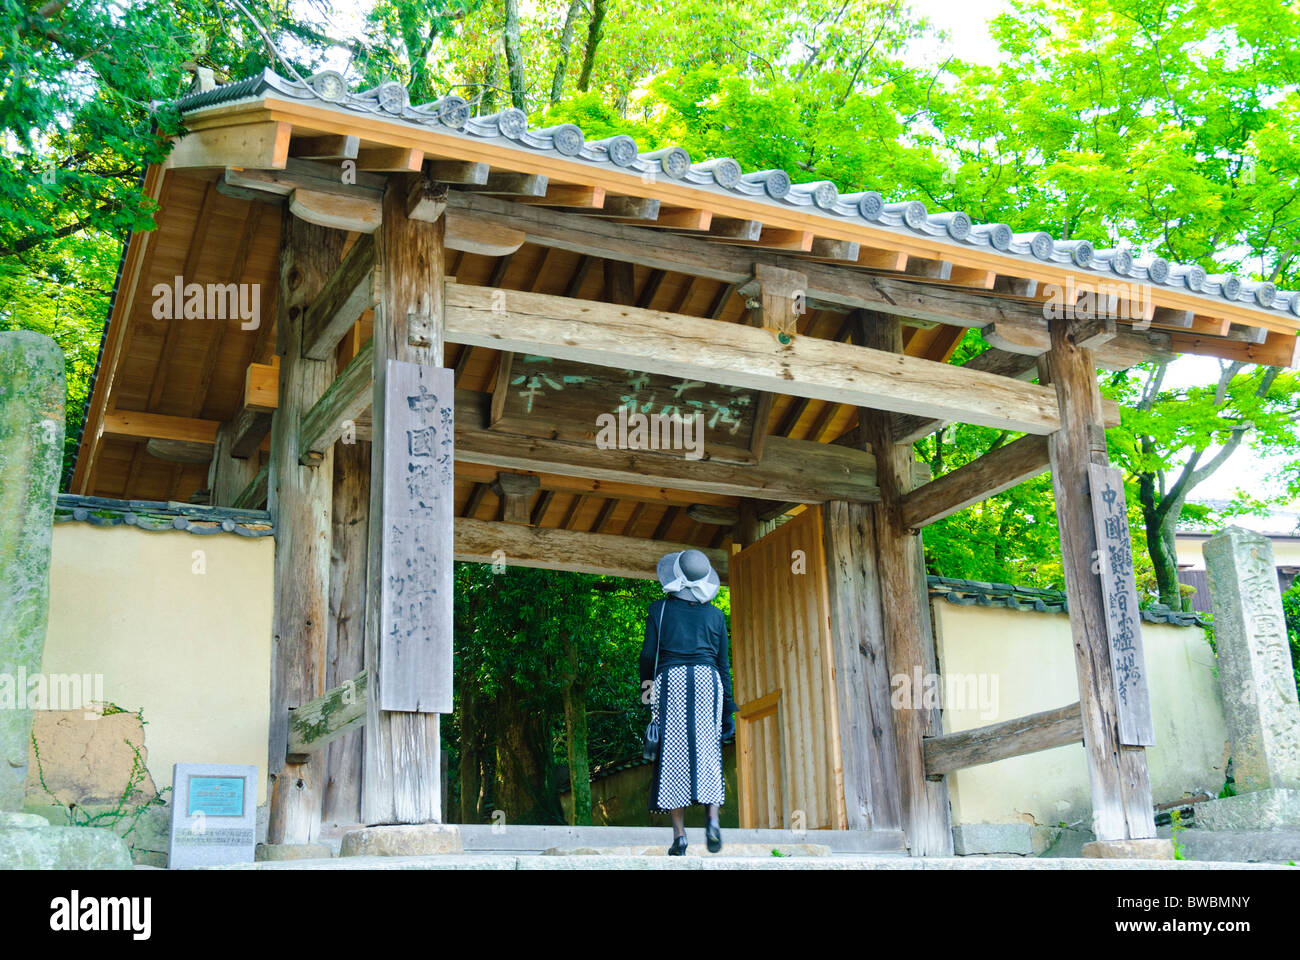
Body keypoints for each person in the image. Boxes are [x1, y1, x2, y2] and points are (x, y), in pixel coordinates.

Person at [640, 549, 738, 855]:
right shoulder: (716, 616)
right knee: (708, 749)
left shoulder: (660, 610)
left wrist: (646, 694)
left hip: (673, 681)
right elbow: (724, 666)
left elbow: (647, 658)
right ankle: (712, 821)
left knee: (674, 754)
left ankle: (680, 835)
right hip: (709, 682)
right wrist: (728, 710)